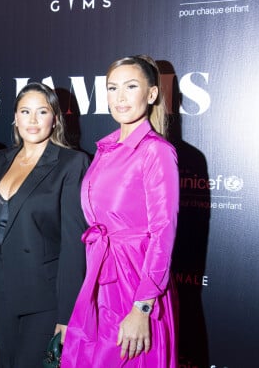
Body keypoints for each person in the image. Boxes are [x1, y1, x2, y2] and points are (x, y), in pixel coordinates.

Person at [62, 55, 179, 367]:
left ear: (151, 94)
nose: (120, 97)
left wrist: (142, 308)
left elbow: (162, 232)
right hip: (100, 278)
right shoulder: (107, 147)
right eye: (112, 88)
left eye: (131, 86)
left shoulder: (156, 151)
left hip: (134, 284)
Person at [0, 82, 90, 367]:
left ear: (56, 119)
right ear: (15, 118)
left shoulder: (72, 163)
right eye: (25, 111)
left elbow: (75, 244)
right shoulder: (1, 159)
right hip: (0, 290)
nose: (33, 120)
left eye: (42, 111)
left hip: (45, 298)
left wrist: (67, 315)